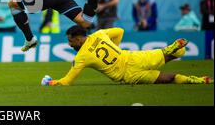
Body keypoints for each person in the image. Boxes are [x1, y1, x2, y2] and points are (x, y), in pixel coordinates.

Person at [41, 25, 213, 86]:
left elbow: (67, 81)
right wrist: (115, 49)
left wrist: (51, 83)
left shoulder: (81, 57)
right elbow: (119, 31)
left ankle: (195, 80)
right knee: (170, 54)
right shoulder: (100, 34)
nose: (70, 45)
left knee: (168, 79)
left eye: (71, 41)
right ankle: (171, 50)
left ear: (78, 39)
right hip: (130, 57)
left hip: (129, 75)